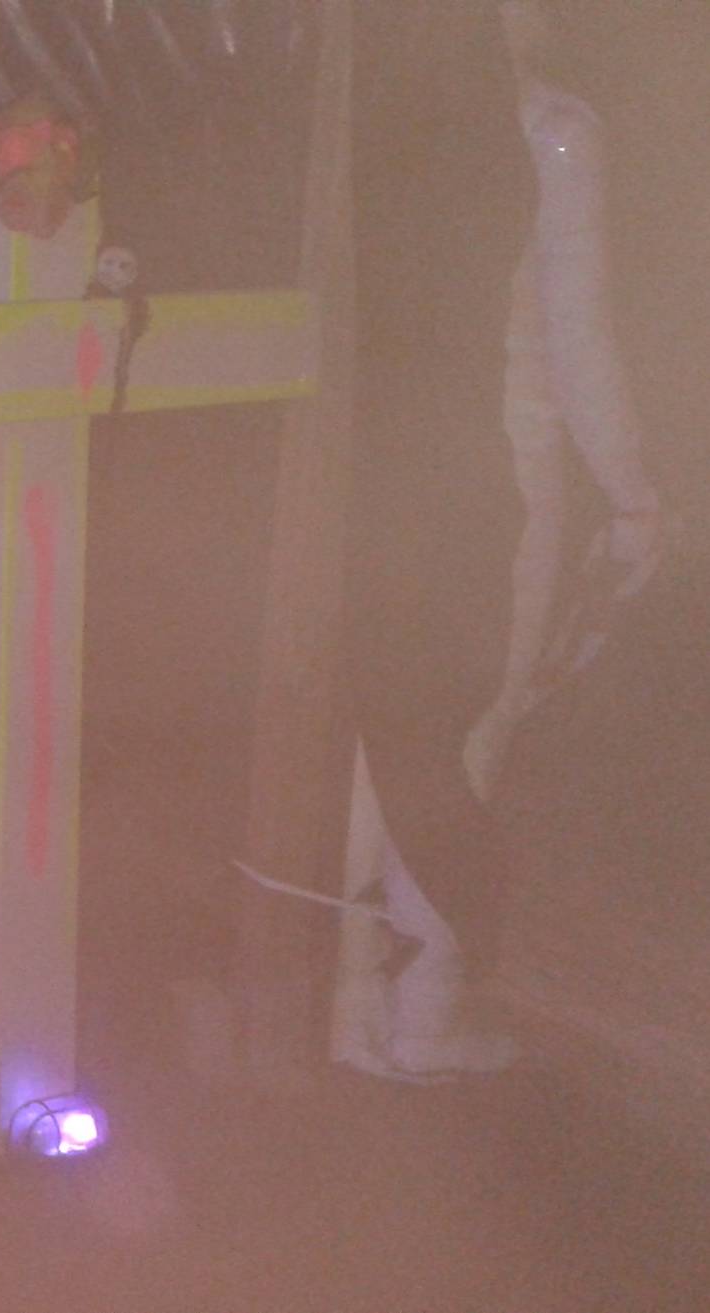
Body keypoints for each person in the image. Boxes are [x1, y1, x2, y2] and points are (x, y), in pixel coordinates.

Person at [337, 0, 536, 1078]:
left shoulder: (366, 104)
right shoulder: (497, 121)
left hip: (401, 457)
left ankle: (377, 1003)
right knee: (435, 728)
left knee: (408, 728)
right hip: (445, 458)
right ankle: (430, 1000)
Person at [462, 0, 666, 800]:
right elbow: (579, 340)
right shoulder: (555, 130)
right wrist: (635, 498)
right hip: (512, 469)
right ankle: (426, 881)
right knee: (483, 718)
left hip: (400, 451)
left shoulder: (401, 116)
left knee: (386, 721)